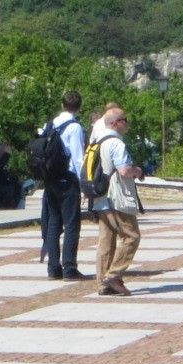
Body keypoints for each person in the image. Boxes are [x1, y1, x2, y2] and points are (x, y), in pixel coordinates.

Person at [91, 107, 146, 296]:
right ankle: (113, 275)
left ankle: (102, 282)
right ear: (115, 123)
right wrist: (137, 171)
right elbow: (124, 171)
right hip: (117, 196)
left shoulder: (96, 140)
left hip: (101, 196)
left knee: (106, 240)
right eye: (124, 119)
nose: (127, 123)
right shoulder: (116, 143)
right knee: (132, 236)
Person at [41, 90, 89, 280]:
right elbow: (78, 158)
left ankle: (53, 268)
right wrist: (83, 184)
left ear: (62, 105)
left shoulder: (51, 124)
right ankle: (69, 267)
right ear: (79, 107)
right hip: (68, 179)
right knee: (71, 225)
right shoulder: (74, 127)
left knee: (53, 222)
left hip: (50, 178)